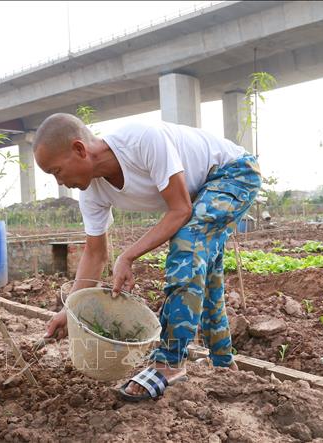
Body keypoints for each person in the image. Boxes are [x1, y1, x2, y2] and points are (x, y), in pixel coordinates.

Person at [33, 113, 261, 401]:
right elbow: (95, 252)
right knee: (206, 274)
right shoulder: (92, 193)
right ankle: (223, 362)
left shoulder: (142, 140)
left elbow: (180, 209)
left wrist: (127, 256)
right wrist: (70, 310)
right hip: (203, 193)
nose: (60, 182)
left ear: (79, 149)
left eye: (56, 171)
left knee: (187, 245)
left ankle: (169, 362)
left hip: (234, 172)